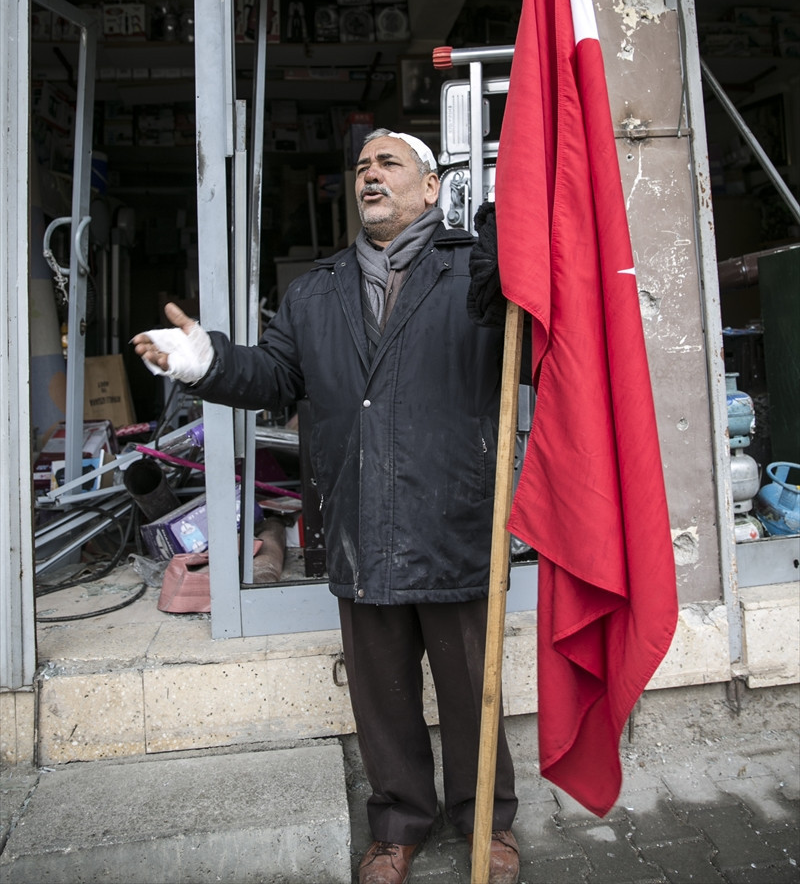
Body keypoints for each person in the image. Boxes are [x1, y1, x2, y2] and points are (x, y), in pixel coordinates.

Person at [132, 129, 519, 884]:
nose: (370, 174)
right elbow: (273, 376)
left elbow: (524, 317)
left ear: (432, 187)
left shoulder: (473, 269)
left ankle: (487, 825)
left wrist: (510, 235)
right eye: (363, 166)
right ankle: (400, 823)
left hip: (453, 513)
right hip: (357, 515)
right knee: (381, 692)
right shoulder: (315, 290)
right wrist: (206, 360)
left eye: (390, 163)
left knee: (473, 684)